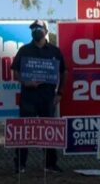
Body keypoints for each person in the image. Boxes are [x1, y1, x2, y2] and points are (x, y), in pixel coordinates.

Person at [11, 20, 66, 174]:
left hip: (48, 98)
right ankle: (20, 164)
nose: (35, 30)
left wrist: (60, 93)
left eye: (39, 28)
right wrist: (25, 82)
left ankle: (50, 164)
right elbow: (15, 73)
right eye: (33, 28)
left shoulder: (55, 51)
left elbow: (64, 72)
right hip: (28, 97)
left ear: (46, 31)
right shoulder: (24, 50)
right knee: (24, 130)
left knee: (49, 130)